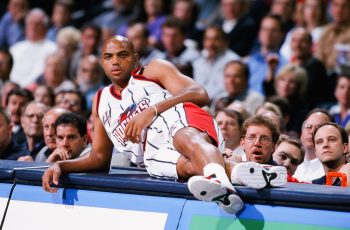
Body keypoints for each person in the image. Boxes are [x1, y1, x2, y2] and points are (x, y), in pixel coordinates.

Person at [42, 36, 287, 214]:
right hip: (151, 154)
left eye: (122, 55)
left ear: (135, 59)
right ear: (103, 64)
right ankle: (242, 172)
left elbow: (200, 93)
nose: (115, 61)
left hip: (179, 119)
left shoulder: (152, 71)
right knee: (190, 168)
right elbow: (99, 157)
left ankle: (220, 185)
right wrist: (62, 166)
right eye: (108, 57)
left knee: (185, 140)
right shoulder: (101, 100)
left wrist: (153, 110)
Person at [10, 8, 57, 87]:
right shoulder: (15, 48)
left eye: (37, 24)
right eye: (30, 23)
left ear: (45, 28)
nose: (33, 27)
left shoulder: (53, 49)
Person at [294, 109, 333, 182]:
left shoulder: (334, 169)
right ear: (301, 133)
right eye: (308, 126)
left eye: (318, 127)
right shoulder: (292, 165)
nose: (312, 131)